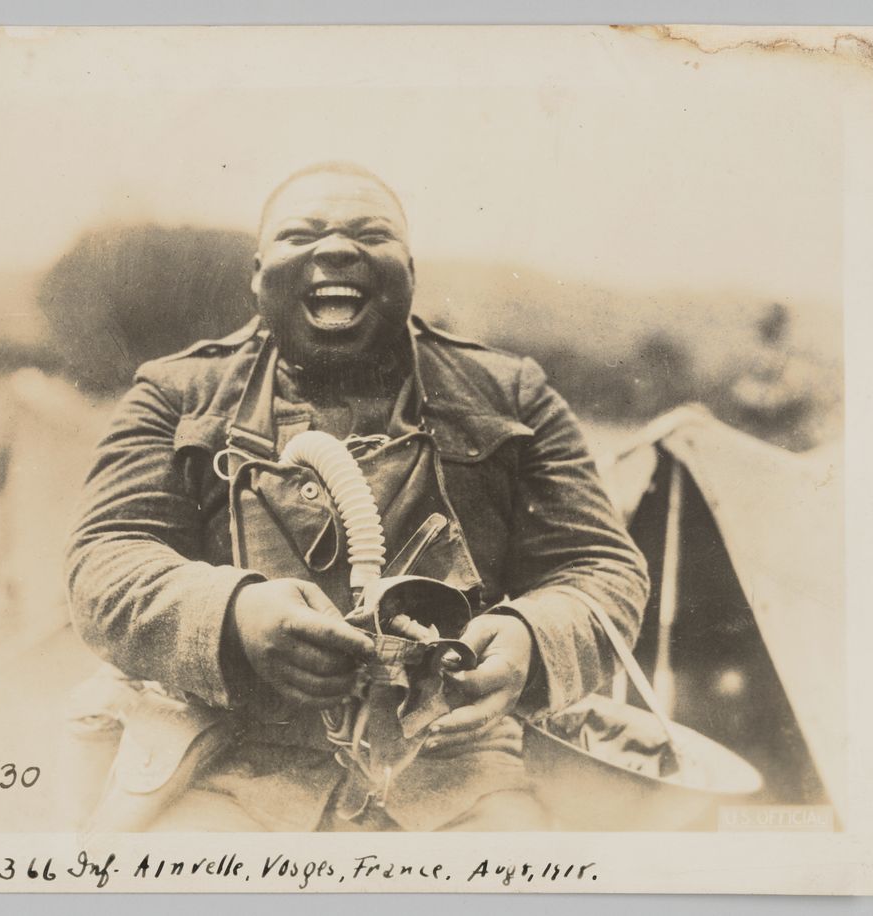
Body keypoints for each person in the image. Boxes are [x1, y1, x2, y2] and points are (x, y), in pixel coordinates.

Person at [65, 162, 649, 831]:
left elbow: (603, 568)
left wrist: (528, 639)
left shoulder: (510, 394)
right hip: (233, 761)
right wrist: (235, 617)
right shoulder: (177, 394)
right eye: (300, 234)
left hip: (456, 769)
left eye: (370, 234)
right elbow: (104, 561)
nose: (337, 249)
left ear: (409, 272)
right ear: (258, 277)